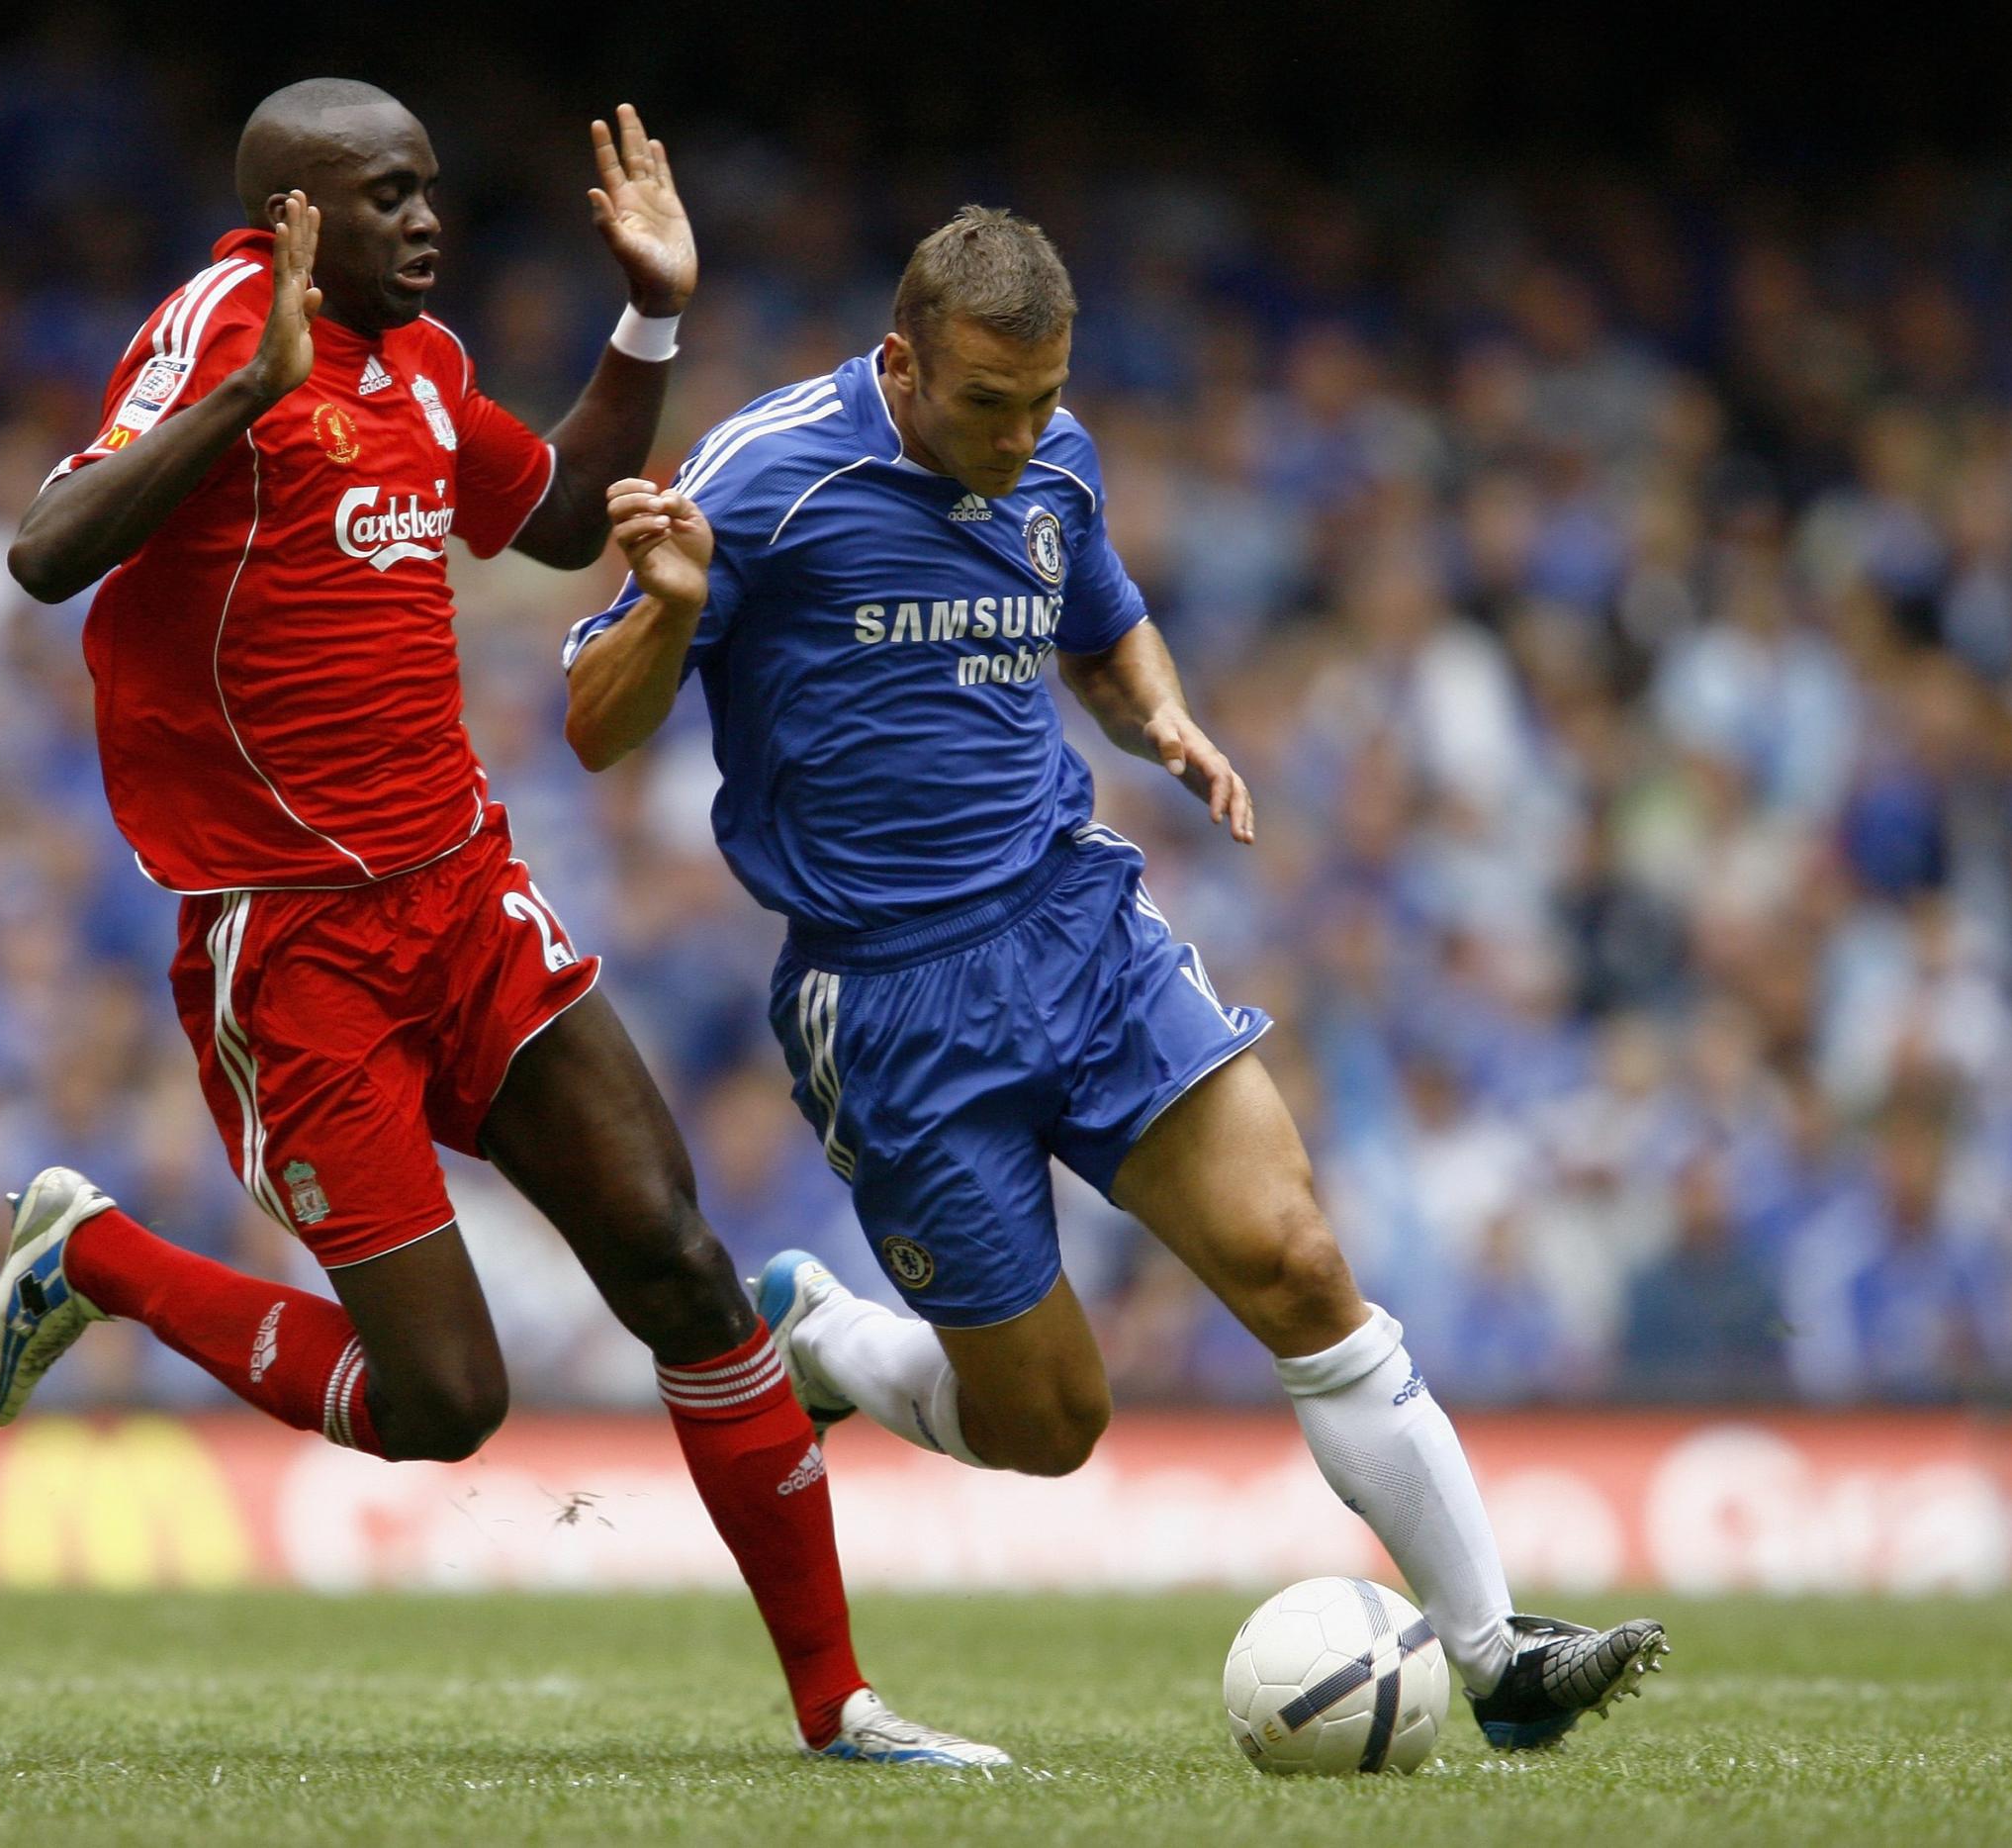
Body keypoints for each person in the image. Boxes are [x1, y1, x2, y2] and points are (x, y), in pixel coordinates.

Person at [0, 79, 999, 1768]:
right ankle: (98, 1260)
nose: (428, 220)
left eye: (432, 189)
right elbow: (42, 550)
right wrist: (242, 395)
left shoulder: (424, 368)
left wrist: (652, 310)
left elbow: (568, 513)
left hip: (461, 894)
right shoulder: (228, 325)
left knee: (676, 1257)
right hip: (289, 946)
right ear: (291, 216)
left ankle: (843, 1709)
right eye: (387, 196)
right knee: (446, 1402)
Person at [563, 206, 1669, 1749]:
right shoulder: (764, 478)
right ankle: (820, 1335)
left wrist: (1163, 718)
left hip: (1079, 930)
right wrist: (672, 612)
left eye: (1043, 401)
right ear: (899, 361)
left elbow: (1103, 623)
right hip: (890, 1005)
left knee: (1294, 1262)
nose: (1023, 439)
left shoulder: (1057, 458)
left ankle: (1497, 1663)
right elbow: (593, 728)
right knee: (1049, 1425)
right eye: (986, 406)